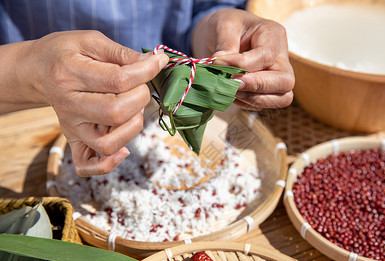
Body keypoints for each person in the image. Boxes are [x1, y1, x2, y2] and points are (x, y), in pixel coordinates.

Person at [0, 0, 294, 177]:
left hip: (168, 100)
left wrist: (219, 29)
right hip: (19, 126)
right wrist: (32, 72)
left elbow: (202, 9)